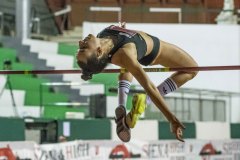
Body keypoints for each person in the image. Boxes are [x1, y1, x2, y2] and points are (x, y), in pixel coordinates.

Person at [76, 22, 198, 143]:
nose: (80, 42)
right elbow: (149, 87)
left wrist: (121, 29)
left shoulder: (102, 35)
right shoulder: (124, 54)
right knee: (192, 69)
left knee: (127, 67)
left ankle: (121, 106)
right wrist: (172, 119)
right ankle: (145, 102)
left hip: (131, 48)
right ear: (98, 52)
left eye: (80, 47)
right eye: (84, 47)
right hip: (157, 50)